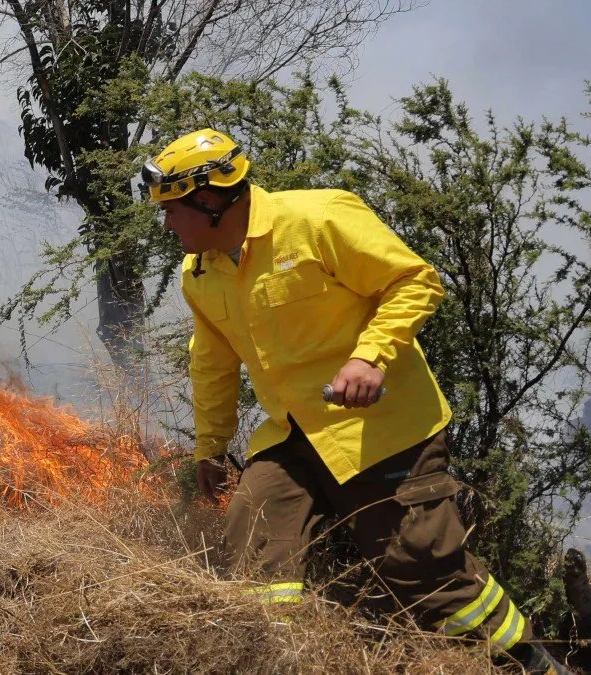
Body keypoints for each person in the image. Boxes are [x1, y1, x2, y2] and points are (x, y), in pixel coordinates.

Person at [143, 128, 569, 673]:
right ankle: (282, 658)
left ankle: (530, 663)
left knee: (423, 571)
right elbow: (213, 364)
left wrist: (370, 357)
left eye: (172, 210)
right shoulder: (198, 274)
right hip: (293, 436)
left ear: (210, 201)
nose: (167, 224)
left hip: (384, 431)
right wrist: (210, 447)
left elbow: (415, 280)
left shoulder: (319, 220)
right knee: (254, 533)